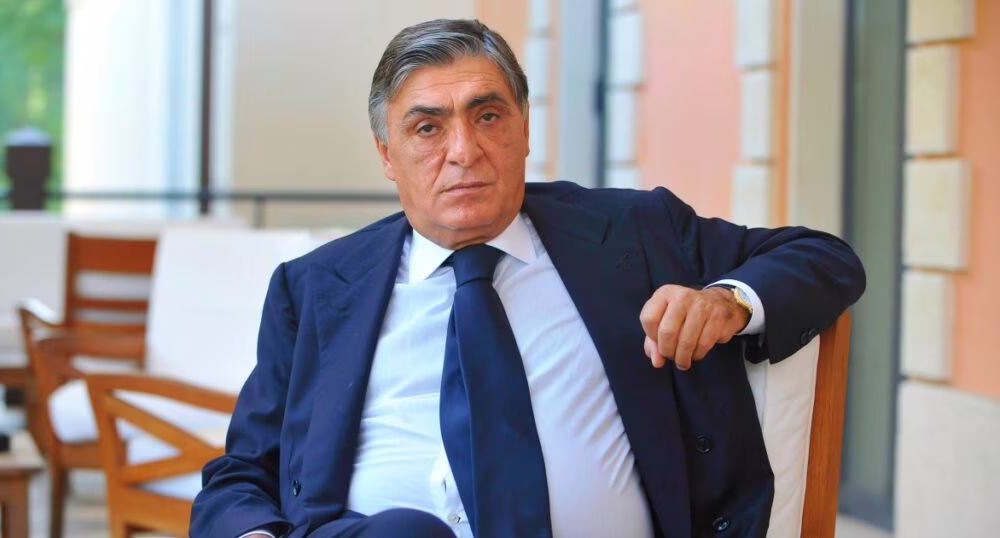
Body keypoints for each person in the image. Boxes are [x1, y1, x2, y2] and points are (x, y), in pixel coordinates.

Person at [190, 18, 864, 538]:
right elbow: (242, 473)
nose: (464, 151)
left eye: (487, 116)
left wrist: (727, 300)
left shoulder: (634, 233)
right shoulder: (315, 288)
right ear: (388, 156)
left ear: (524, 129)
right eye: (427, 128)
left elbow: (823, 257)